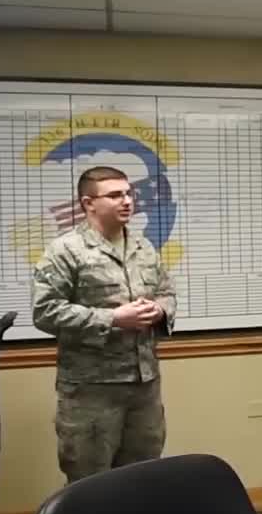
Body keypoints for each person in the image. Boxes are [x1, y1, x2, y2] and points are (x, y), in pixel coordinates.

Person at [32, 166, 176, 483]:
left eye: (128, 193)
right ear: (88, 203)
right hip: (91, 391)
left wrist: (159, 310)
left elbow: (167, 292)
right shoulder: (65, 251)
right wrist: (112, 318)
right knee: (90, 483)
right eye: (115, 195)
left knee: (143, 477)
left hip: (144, 386)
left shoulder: (144, 248)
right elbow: (44, 311)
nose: (127, 201)